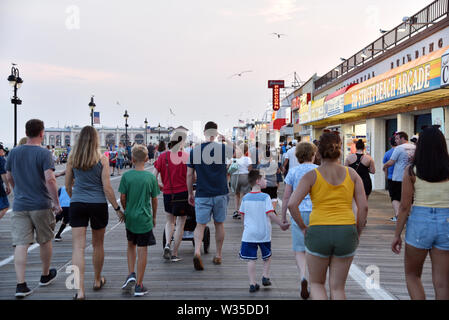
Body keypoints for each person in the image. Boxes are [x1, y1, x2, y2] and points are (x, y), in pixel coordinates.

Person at [287, 132, 368, 300]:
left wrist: (303, 227)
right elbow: (364, 207)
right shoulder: (352, 174)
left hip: (318, 231)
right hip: (346, 231)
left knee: (317, 284)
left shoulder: (311, 176)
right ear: (339, 151)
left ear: (318, 153)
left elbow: (292, 204)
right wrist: (357, 232)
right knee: (338, 288)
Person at [65, 125, 124, 300]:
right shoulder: (102, 159)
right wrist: (117, 208)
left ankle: (80, 291)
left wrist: (74, 196)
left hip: (77, 203)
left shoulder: (72, 158)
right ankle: (97, 280)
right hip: (98, 204)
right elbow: (106, 187)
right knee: (98, 245)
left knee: (78, 247)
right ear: (96, 140)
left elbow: (68, 185)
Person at [391, 126, 449, 300]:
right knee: (443, 282)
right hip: (446, 222)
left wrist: (397, 235)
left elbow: (404, 207)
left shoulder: (411, 171)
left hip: (419, 223)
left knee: (413, 275)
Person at [5, 119, 61, 298]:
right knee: (45, 240)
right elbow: (50, 180)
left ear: (26, 132)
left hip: (20, 205)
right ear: (42, 133)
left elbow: (8, 176)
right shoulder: (43, 153)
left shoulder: (13, 152)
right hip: (41, 204)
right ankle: (45, 275)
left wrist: (17, 190)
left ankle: (20, 285)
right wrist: (56, 203)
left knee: (21, 244)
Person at [187, 121, 233, 271]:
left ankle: (197, 252)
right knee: (219, 224)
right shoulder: (223, 149)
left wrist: (189, 192)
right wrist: (225, 139)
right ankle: (218, 255)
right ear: (215, 133)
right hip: (220, 192)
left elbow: (189, 175)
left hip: (202, 193)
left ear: (204, 132)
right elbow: (237, 152)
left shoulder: (195, 151)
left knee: (200, 225)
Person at [239, 169, 290, 293]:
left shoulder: (245, 198)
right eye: (264, 178)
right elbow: (271, 214)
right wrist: (281, 224)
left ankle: (252, 283)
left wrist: (246, 226)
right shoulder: (265, 197)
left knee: (251, 259)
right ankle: (265, 276)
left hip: (249, 233)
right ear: (258, 181)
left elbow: (242, 215)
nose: (266, 180)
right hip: (263, 232)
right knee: (267, 256)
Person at [119, 145, 160, 296]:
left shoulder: (126, 176)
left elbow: (123, 197)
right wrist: (154, 216)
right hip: (144, 218)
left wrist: (125, 210)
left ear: (132, 159)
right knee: (143, 250)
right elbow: (154, 200)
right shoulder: (150, 177)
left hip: (130, 217)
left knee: (131, 245)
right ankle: (139, 285)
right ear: (147, 159)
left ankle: (131, 273)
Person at [281, 141, 318, 299]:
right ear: (313, 154)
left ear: (298, 155)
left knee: (299, 250)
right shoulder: (319, 171)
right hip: (317, 213)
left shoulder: (293, 172)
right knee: (314, 249)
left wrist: (283, 217)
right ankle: (315, 281)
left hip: (297, 212)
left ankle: (303, 277)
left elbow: (287, 196)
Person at [154, 134, 190, 262]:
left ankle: (167, 244)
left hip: (168, 193)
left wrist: (160, 186)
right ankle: (174, 253)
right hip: (183, 193)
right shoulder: (186, 157)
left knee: (170, 221)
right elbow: (193, 176)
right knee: (181, 222)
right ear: (180, 144)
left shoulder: (162, 156)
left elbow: (154, 176)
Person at [383, 132, 416, 222]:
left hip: (398, 178)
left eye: (397, 138)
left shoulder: (398, 148)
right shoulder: (414, 147)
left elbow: (391, 162)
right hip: (412, 176)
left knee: (395, 198)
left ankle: (399, 215)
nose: (396, 140)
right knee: (410, 198)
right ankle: (410, 215)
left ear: (402, 138)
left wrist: (384, 166)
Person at [230, 144, 252, 219]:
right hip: (245, 177)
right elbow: (250, 169)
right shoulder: (248, 159)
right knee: (244, 194)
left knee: (236, 194)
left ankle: (236, 210)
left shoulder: (233, 159)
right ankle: (243, 210)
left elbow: (228, 168)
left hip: (235, 177)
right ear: (246, 151)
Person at [383, 136, 398, 221]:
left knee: (394, 198)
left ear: (390, 143)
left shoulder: (388, 153)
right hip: (402, 178)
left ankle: (397, 215)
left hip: (391, 178)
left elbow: (385, 166)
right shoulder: (402, 151)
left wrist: (386, 177)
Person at [0, 144, 11, 220]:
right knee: (5, 206)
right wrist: (8, 186)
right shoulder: (1, 159)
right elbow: (3, 174)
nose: (3, 152)